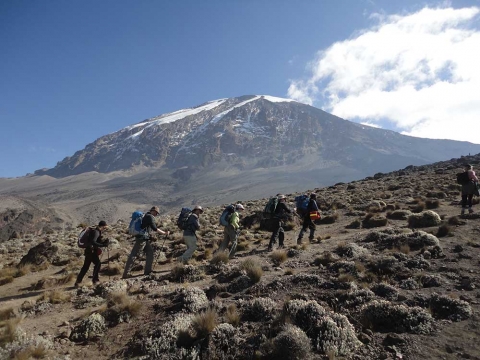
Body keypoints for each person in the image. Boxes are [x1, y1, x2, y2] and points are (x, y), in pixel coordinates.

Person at [122, 206, 169, 278]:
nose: (156, 214)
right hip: (142, 238)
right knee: (134, 255)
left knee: (150, 253)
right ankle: (126, 274)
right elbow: (154, 228)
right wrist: (164, 233)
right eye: (156, 213)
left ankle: (148, 271)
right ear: (153, 211)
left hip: (144, 238)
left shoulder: (146, 216)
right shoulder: (150, 217)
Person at [75, 220, 109, 287]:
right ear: (102, 226)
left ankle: (78, 282)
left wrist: (103, 242)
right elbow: (93, 242)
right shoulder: (96, 232)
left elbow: (95, 241)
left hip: (89, 251)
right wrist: (103, 245)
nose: (105, 229)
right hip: (92, 251)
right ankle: (95, 280)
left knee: (85, 267)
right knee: (98, 264)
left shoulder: (95, 231)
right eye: (105, 227)